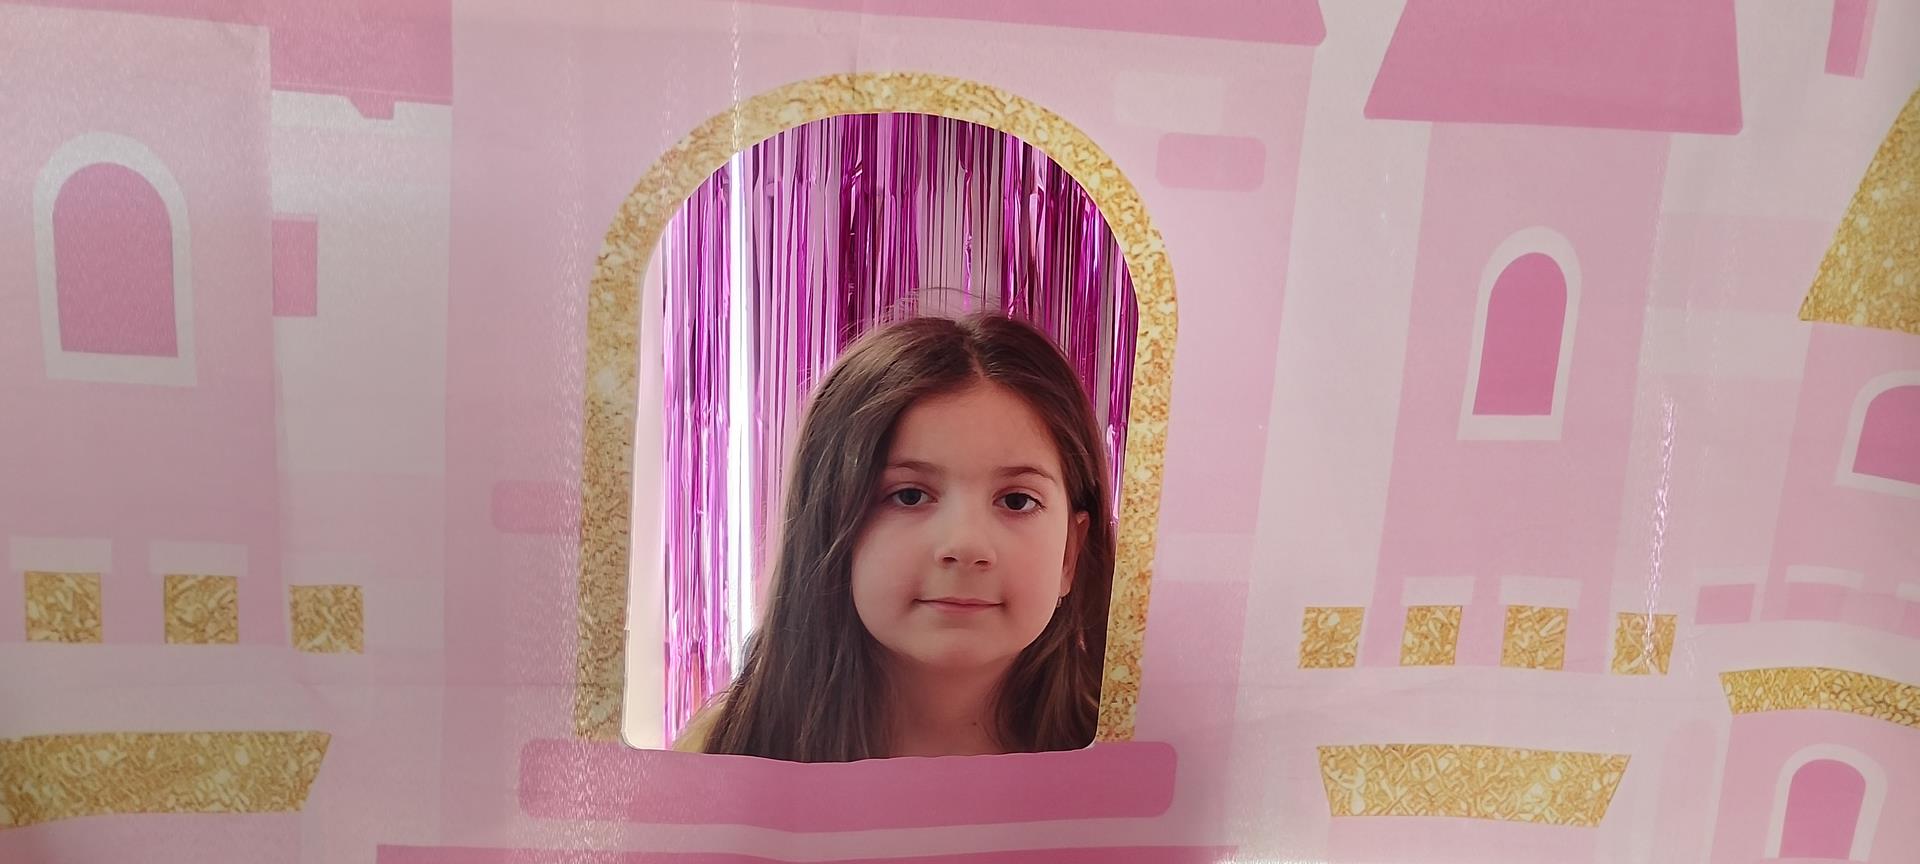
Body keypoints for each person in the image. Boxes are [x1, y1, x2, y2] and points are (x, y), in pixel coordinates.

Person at [672, 312, 1116, 761]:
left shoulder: (1128, 758)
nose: (966, 546)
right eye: (908, 495)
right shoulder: (718, 756)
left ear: (1070, 553)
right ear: (827, 527)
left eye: (1017, 501)